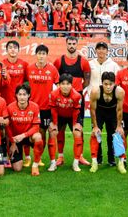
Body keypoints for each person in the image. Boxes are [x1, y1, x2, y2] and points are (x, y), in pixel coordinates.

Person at [53, 36, 91, 164]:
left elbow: (87, 80)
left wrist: (76, 91)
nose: (71, 45)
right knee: (60, 129)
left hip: (77, 100)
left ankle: (80, 156)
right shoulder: (59, 61)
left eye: (74, 43)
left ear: (77, 44)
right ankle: (60, 156)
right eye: (69, 43)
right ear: (66, 44)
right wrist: (62, 90)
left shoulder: (83, 62)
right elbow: (55, 77)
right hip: (61, 100)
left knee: (78, 128)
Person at [25, 44, 60, 165]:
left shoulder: (52, 69)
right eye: (39, 53)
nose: (41, 56)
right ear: (36, 55)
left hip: (46, 108)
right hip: (31, 107)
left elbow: (59, 86)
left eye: (43, 54)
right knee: (28, 133)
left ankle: (38, 158)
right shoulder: (29, 68)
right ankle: (27, 157)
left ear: (47, 55)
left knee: (42, 133)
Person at [1, 40, 31, 165]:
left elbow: (28, 82)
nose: (12, 50)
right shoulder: (2, 64)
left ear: (18, 50)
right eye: (10, 47)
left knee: (22, 128)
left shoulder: (24, 64)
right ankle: (6, 156)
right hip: (5, 102)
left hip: (20, 103)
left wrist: (26, 98)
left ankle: (26, 156)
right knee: (5, 131)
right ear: (6, 50)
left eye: (15, 48)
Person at [90, 72, 126, 173]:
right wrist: (95, 126)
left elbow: (119, 110)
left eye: (111, 84)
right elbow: (92, 110)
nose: (108, 87)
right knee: (95, 134)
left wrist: (119, 126)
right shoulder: (95, 92)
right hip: (99, 113)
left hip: (113, 113)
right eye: (106, 84)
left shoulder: (119, 92)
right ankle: (96, 161)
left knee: (118, 135)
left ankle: (119, 161)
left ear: (114, 83)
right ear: (102, 83)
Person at [47, 75, 84, 172]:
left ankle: (75, 163)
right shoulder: (53, 94)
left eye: (68, 84)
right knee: (52, 132)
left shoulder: (77, 96)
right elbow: (53, 110)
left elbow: (76, 111)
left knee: (78, 133)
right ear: (59, 85)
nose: (65, 86)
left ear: (71, 85)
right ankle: (53, 163)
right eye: (63, 84)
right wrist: (54, 123)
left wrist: (75, 124)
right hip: (59, 115)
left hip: (72, 115)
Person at [7, 84, 44, 176]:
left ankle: (35, 165)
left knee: (38, 136)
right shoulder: (10, 107)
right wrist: (13, 143)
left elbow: (36, 127)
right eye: (20, 94)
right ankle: (8, 157)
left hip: (28, 136)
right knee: (17, 169)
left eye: (24, 94)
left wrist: (23, 135)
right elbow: (8, 127)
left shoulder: (35, 106)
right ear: (16, 95)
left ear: (29, 95)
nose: (22, 97)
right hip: (16, 138)